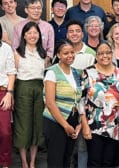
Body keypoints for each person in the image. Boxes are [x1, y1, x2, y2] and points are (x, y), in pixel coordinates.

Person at [79, 42, 119, 167]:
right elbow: (81, 101)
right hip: (94, 125)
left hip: (114, 126)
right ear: (96, 56)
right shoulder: (88, 73)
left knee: (109, 162)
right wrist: (85, 126)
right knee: (94, 162)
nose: (105, 56)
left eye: (108, 52)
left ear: (112, 54)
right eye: (101, 53)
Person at [43, 40, 82, 168]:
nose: (70, 55)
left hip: (72, 119)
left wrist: (79, 123)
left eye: (72, 52)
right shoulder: (52, 72)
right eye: (66, 53)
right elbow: (50, 102)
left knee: (67, 158)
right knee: (55, 160)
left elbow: (79, 99)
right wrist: (65, 125)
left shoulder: (76, 73)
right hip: (55, 121)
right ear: (58, 55)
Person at [13, 21, 46, 168]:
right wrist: (11, 95)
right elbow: (12, 75)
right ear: (24, 36)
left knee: (37, 126)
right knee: (23, 126)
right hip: (22, 89)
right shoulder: (17, 52)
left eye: (35, 33)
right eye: (29, 33)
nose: (33, 36)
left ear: (39, 35)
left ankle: (33, 162)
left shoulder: (43, 54)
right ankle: (24, 162)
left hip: (39, 89)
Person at [66, 20, 95, 168]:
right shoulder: (61, 52)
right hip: (65, 105)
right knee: (66, 143)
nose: (74, 34)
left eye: (77, 31)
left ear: (82, 34)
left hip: (84, 105)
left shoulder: (90, 53)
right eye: (71, 31)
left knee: (82, 144)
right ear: (67, 34)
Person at [12, 0, 54, 67]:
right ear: (26, 10)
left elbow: (50, 49)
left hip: (43, 65)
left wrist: (45, 62)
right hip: (23, 67)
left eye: (38, 8)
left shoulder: (48, 27)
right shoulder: (18, 27)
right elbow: (15, 48)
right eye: (32, 8)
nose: (36, 11)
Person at [0, 23, 16, 168]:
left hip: (3, 93)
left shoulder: (5, 48)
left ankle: (5, 163)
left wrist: (9, 93)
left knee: (5, 132)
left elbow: (11, 72)